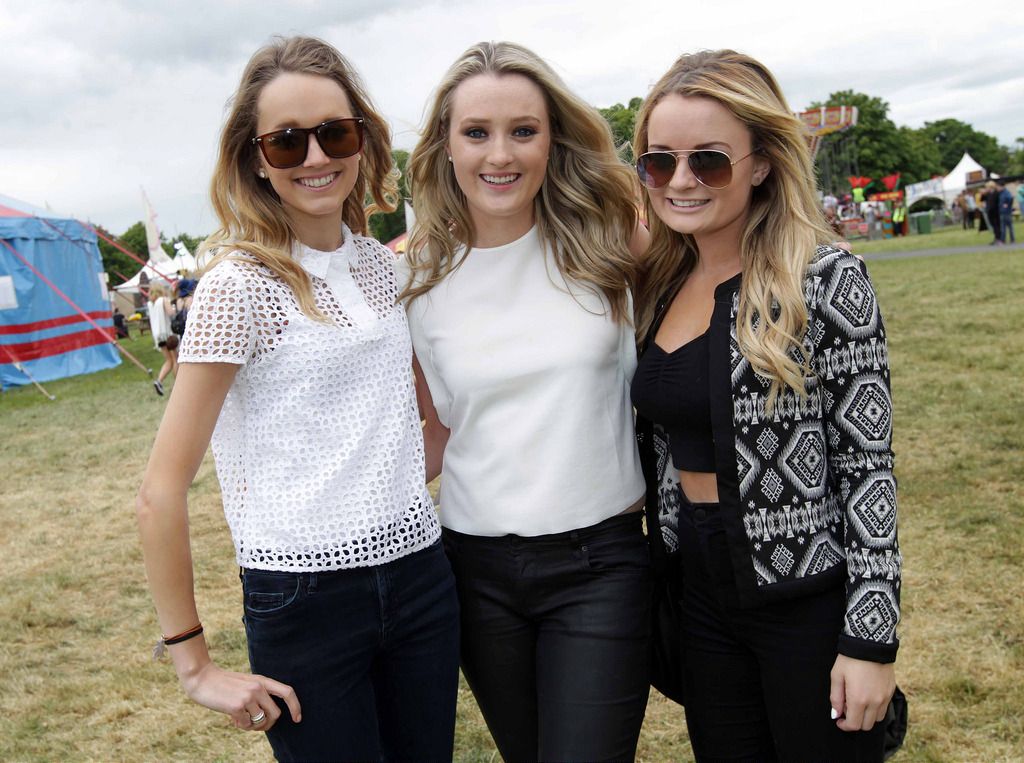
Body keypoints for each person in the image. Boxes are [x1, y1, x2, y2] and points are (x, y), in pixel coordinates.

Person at [135, 36, 459, 762]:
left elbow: (421, 429)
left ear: (362, 140)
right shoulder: (236, 285)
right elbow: (160, 489)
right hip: (304, 599)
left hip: (420, 580)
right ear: (255, 158)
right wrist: (193, 664)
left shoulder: (385, 268)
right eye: (287, 142)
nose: (315, 158)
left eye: (334, 133)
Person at [630, 50, 901, 761]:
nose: (682, 180)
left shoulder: (826, 276)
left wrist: (870, 637)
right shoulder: (661, 281)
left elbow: (868, 467)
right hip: (700, 591)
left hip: (803, 594)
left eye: (709, 161)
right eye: (660, 162)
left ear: (759, 162)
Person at [399, 41, 651, 762]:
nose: (499, 154)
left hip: (600, 563)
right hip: (476, 574)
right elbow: (436, 430)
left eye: (523, 130)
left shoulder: (609, 242)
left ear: (553, 139)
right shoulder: (414, 275)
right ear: (446, 146)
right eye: (476, 132)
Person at [147, 283, 177, 395]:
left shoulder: (151, 304)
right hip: (167, 333)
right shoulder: (164, 300)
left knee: (168, 360)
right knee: (175, 360)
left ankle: (159, 381)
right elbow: (171, 313)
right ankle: (177, 384)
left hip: (158, 335)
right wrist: (173, 307)